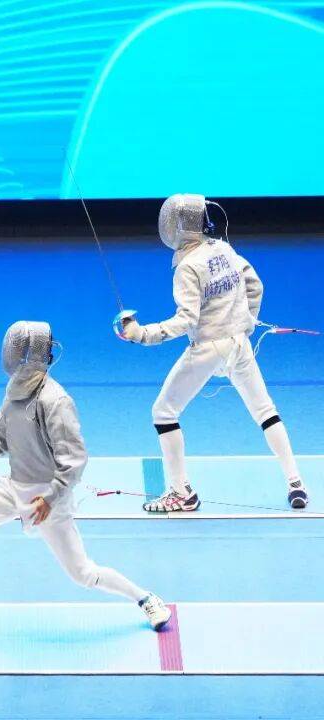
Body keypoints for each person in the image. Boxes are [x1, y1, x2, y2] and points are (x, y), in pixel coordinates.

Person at [0, 321, 171, 632]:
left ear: (32, 355)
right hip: (13, 487)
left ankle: (146, 598)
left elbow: (74, 459)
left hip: (47, 497)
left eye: (18, 348)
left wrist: (51, 497)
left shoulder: (55, 400)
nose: (12, 353)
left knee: (83, 574)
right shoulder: (14, 392)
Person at [119, 194, 309, 511]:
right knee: (266, 411)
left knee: (163, 412)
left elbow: (186, 320)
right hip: (239, 344)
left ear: (182, 227)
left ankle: (181, 493)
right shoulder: (223, 248)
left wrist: (142, 334)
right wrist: (245, 323)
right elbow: (255, 286)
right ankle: (296, 484)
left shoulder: (188, 267)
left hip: (209, 347)